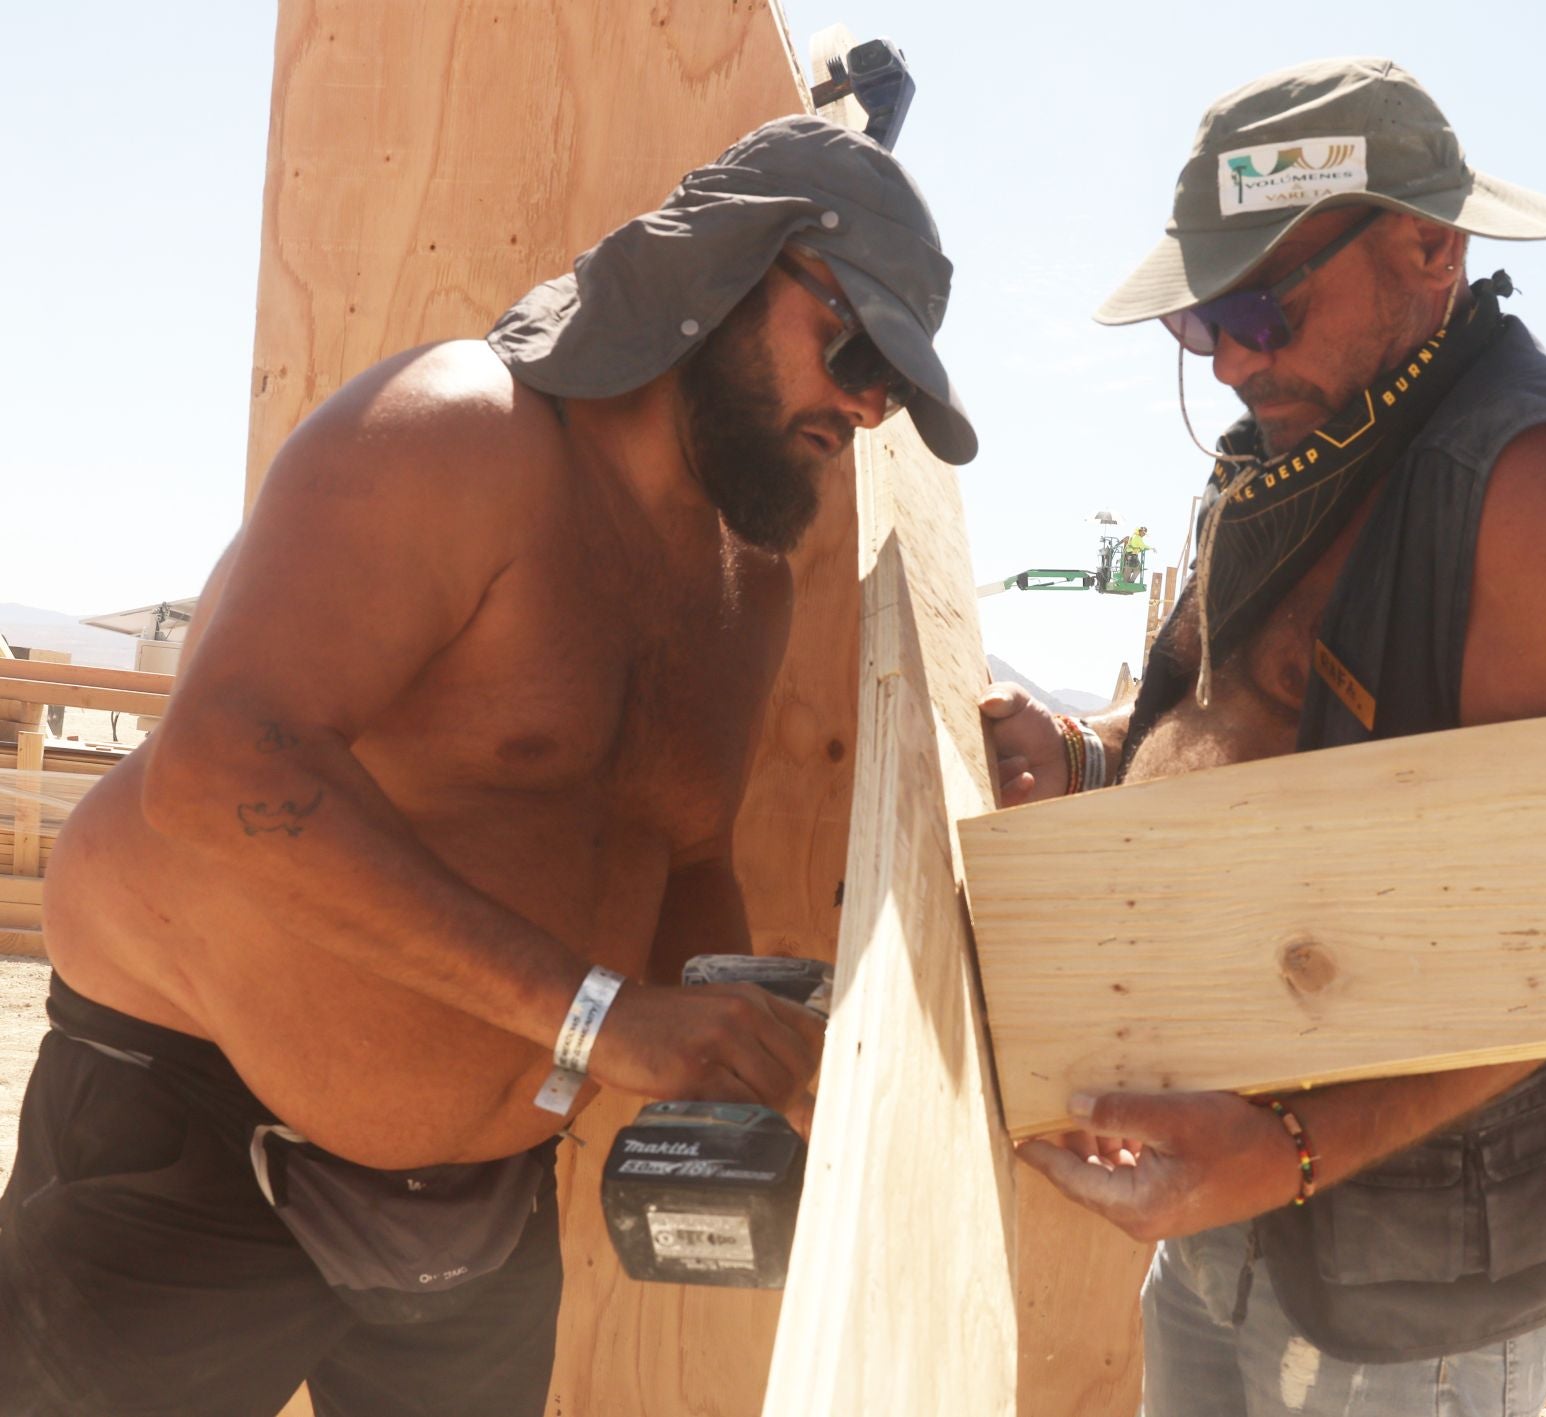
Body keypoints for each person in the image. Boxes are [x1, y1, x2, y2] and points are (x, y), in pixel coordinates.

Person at [0, 115, 974, 1416]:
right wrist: (597, 1017)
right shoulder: (456, 432)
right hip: (191, 1140)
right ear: (724, 275)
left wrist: (748, 1080)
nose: (866, 401)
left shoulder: (749, 589)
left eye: (896, 386)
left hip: (487, 1212)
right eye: (853, 347)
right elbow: (221, 766)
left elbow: (683, 854)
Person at [983, 59, 1546, 1417]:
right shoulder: (1289, 457)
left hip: (1413, 1256)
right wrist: (1085, 769)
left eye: (1265, 303)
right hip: (1233, 1206)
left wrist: (1291, 1151)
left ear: (1431, 250)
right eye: (1207, 320)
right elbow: (1253, 738)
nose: (1239, 355)